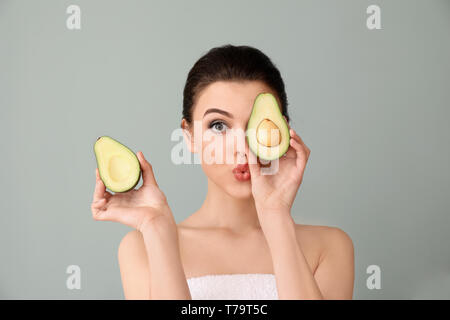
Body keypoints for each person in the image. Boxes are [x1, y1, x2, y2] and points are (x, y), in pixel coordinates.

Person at [90, 44, 354, 300]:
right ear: (189, 135)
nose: (241, 148)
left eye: (259, 125)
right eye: (218, 126)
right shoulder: (141, 247)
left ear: (282, 132)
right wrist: (157, 229)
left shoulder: (329, 248)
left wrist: (276, 216)